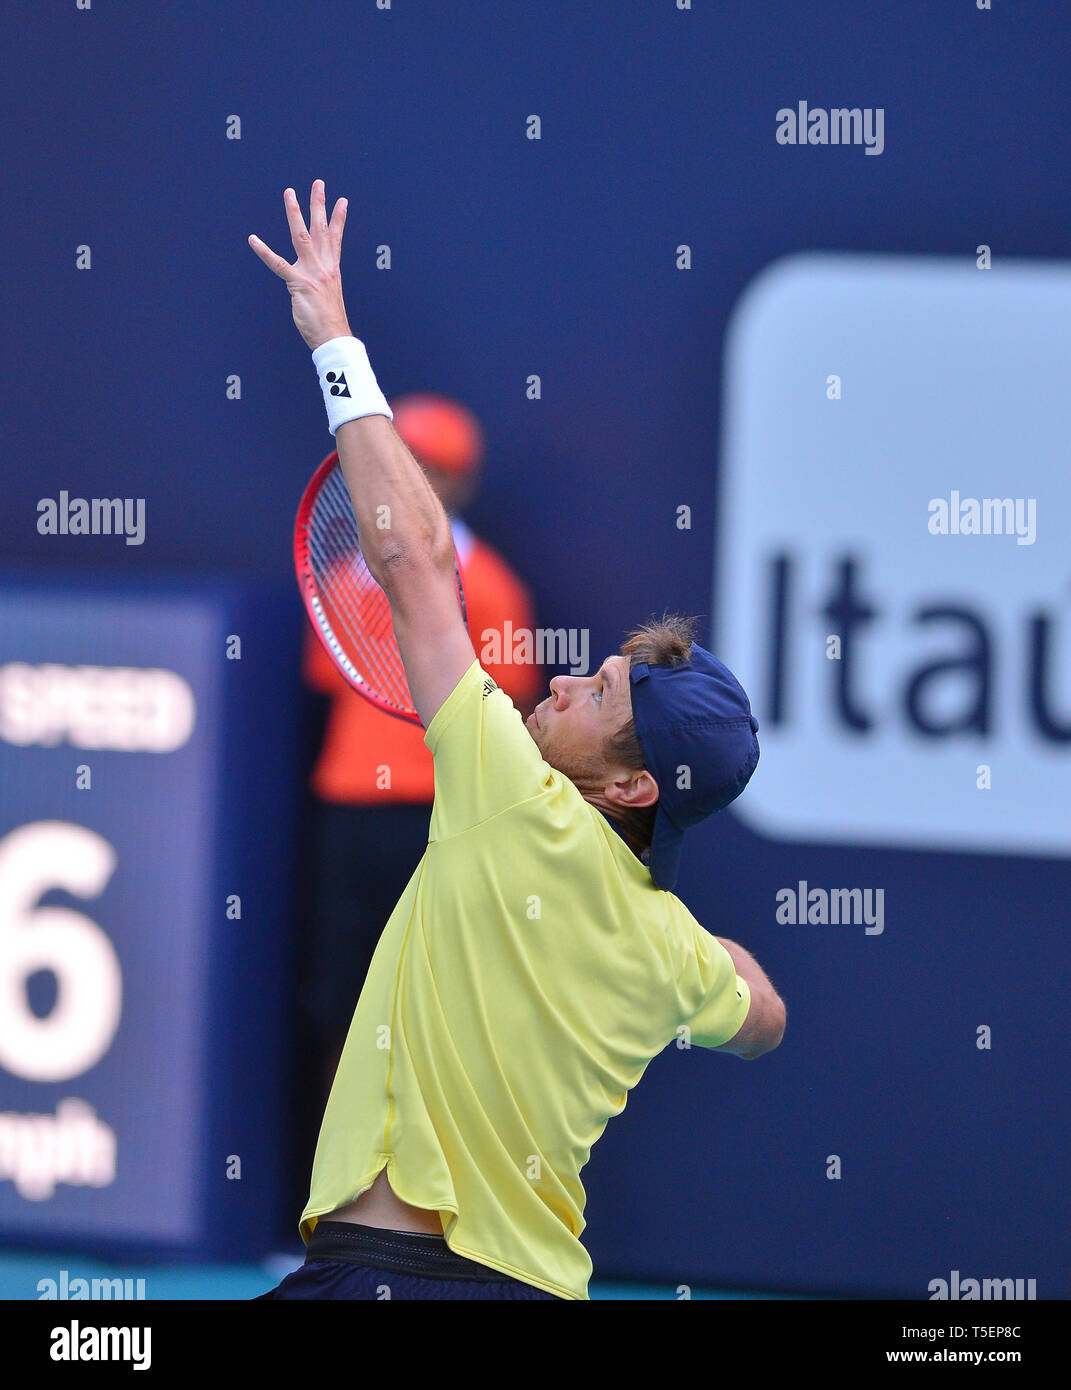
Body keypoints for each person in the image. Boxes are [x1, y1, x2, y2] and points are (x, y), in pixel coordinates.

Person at [249, 181, 786, 1301]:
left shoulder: (512, 792)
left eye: (596, 693)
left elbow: (410, 566)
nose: (566, 682)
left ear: (630, 781)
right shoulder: (669, 951)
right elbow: (764, 1018)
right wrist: (703, 960)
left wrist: (334, 339)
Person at [301, 394, 541, 1101]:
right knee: (339, 1005)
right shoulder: (346, 576)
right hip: (347, 816)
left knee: (432, 1018)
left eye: (432, 468)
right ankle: (337, 1203)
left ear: (458, 485)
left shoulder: (493, 588)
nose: (411, 481)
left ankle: (421, 1203)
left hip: (438, 825)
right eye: (401, 462)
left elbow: (511, 712)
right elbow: (329, 678)